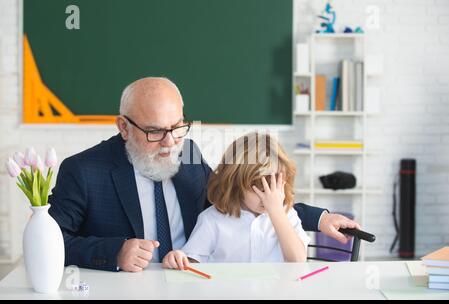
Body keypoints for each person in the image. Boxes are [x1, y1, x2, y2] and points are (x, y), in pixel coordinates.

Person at [48, 77, 360, 272]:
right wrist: (114, 253)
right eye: (155, 132)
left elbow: (236, 195)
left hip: (193, 286)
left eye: (177, 127)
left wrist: (318, 218)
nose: (170, 144)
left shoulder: (189, 153)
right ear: (123, 127)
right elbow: (51, 243)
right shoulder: (83, 171)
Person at [162, 133, 310, 270]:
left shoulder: (287, 214)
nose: (270, 195)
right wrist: (178, 260)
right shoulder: (212, 220)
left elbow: (297, 262)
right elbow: (191, 263)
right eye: (261, 184)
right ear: (236, 183)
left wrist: (277, 212)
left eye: (275, 182)